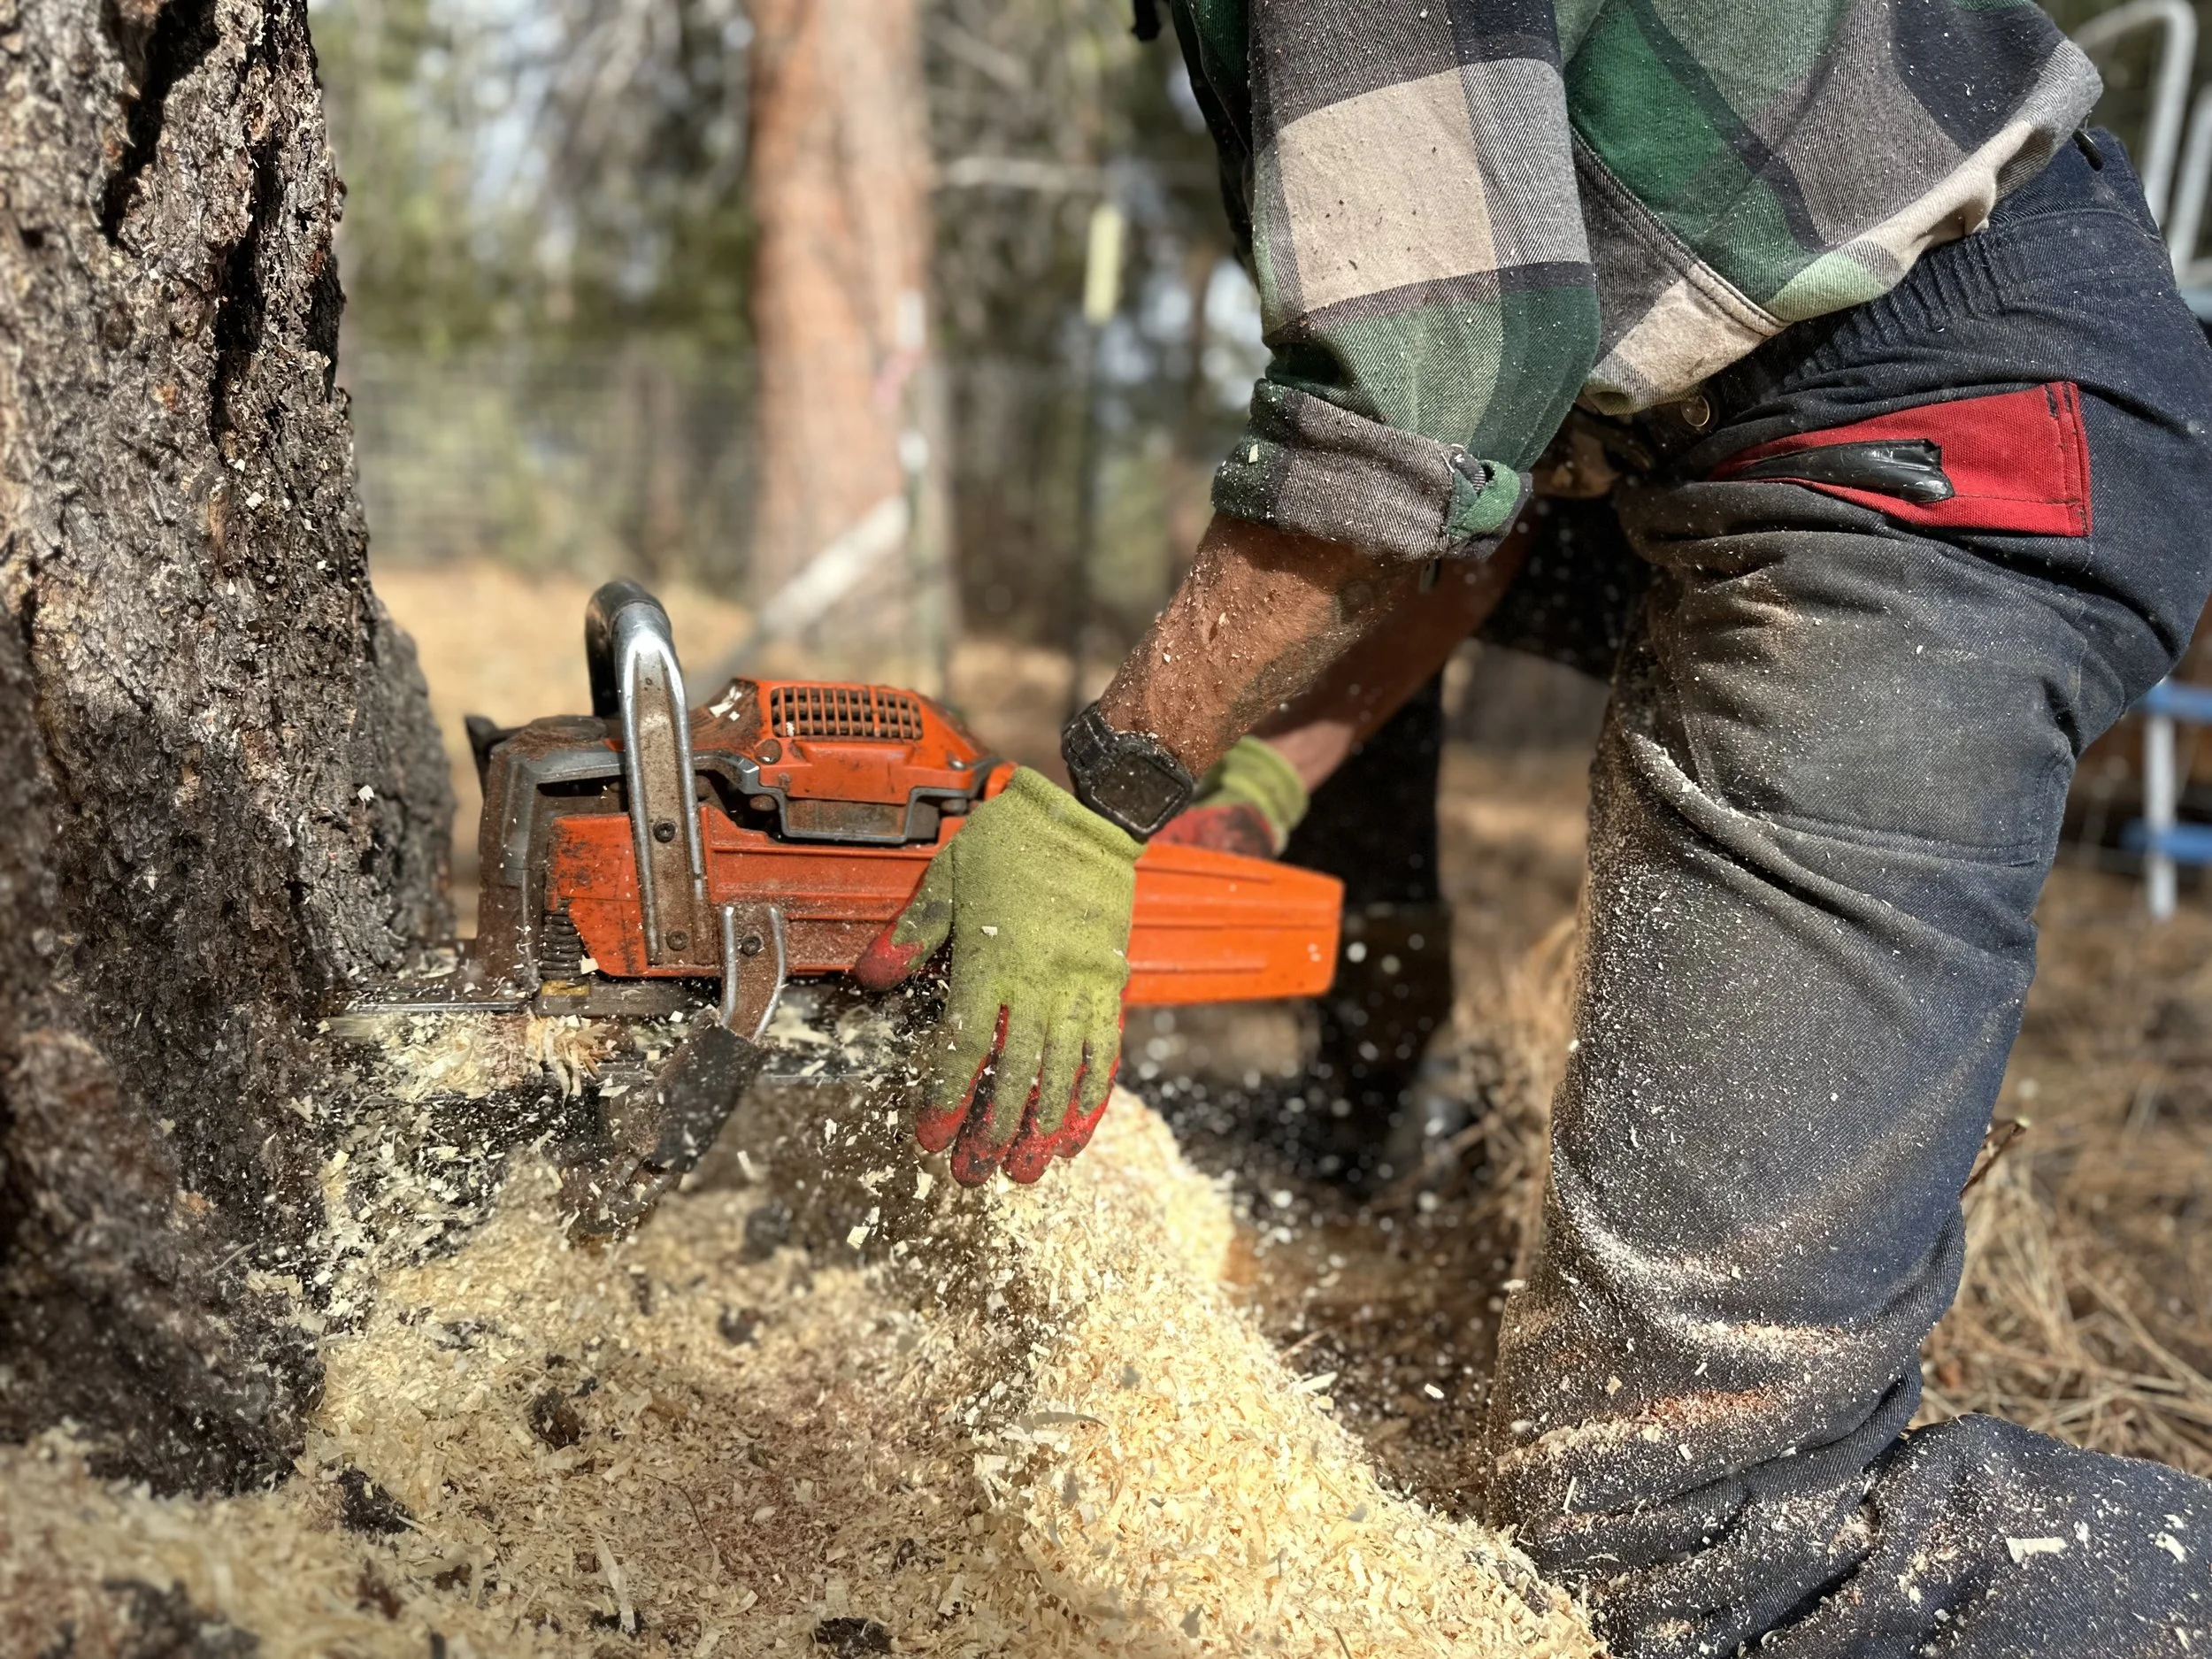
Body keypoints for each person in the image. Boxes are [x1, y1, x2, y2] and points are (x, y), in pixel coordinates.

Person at [856, 3, 2212, 1650]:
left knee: (1688, 1534)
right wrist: (1259, 780)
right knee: (1305, 554)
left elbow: (1413, 416)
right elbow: (1469, 488)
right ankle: (1358, 1111)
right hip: (1734, 419)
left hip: (1939, 418)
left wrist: (1103, 802)